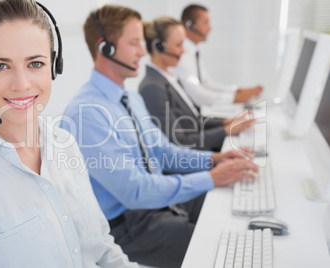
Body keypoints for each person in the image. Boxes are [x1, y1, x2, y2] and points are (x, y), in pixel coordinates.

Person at [0, 0, 136, 267]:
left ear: (54, 66)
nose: (21, 84)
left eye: (35, 64)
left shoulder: (65, 143)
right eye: (0, 66)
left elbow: (103, 250)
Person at [61, 5, 257, 268]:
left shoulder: (130, 98)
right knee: (221, 250)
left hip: (155, 207)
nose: (143, 51)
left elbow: (162, 152)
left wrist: (214, 159)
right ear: (104, 48)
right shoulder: (86, 115)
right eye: (134, 43)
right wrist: (210, 178)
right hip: (129, 227)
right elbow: (136, 191)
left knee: (231, 209)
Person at [139, 17, 255, 152]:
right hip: (191, 160)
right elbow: (178, 142)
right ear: (159, 46)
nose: (183, 51)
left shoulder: (170, 77)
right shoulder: (153, 88)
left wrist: (226, 122)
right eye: (178, 45)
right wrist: (226, 131)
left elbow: (193, 121)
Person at [171, 4, 263, 106]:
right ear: (190, 26)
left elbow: (206, 83)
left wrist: (237, 91)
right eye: (205, 23)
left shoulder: (193, 51)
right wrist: (235, 98)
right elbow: (198, 94)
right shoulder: (181, 54)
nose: (209, 28)